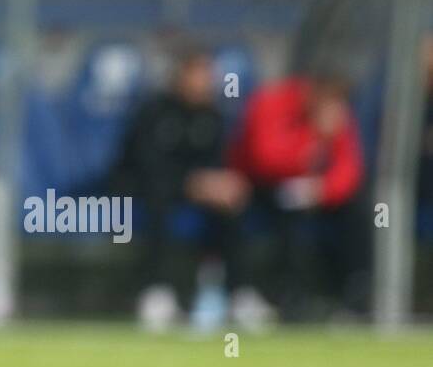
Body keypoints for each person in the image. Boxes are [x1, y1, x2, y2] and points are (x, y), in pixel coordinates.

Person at [112, 47, 247, 329]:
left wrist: (218, 185)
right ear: (180, 76)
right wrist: (192, 183)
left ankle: (231, 292)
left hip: (192, 192)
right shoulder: (153, 111)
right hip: (144, 187)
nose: (205, 82)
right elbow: (145, 165)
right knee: (158, 203)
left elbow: (217, 163)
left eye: (208, 75)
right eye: (198, 74)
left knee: (230, 202)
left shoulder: (213, 116)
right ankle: (155, 290)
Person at [225, 70, 366, 319]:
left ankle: (351, 299)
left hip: (312, 191)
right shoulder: (270, 102)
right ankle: (285, 298)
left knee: (358, 211)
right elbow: (265, 158)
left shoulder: (336, 111)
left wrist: (322, 190)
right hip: (260, 184)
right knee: (286, 215)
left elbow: (349, 170)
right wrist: (314, 140)